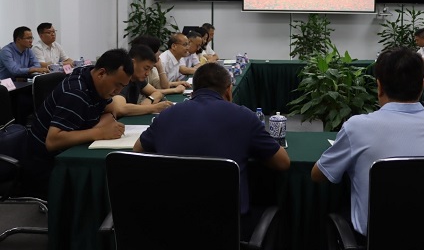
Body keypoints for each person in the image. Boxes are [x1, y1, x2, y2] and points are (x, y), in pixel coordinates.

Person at [133, 63, 290, 240]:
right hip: (228, 229)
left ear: (193, 91)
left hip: (170, 226)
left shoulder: (166, 115)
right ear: (228, 90)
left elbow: (137, 149)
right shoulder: (244, 116)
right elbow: (282, 163)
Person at [311, 47, 424, 239]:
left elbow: (318, 175)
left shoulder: (357, 127)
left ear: (379, 87)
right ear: (422, 86)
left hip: (373, 238)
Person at [26, 48, 133, 197]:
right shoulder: (75, 92)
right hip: (50, 166)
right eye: (117, 85)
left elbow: (111, 109)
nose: (118, 91)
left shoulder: (93, 79)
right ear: (101, 73)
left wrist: (100, 125)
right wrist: (100, 132)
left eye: (122, 87)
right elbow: (53, 141)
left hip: (70, 152)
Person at [105, 45, 173, 117]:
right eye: (146, 68)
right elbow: (119, 108)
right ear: (133, 63)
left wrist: (150, 99)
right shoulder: (122, 79)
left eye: (150, 69)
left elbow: (157, 93)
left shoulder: (137, 79)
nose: (147, 74)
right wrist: (154, 108)